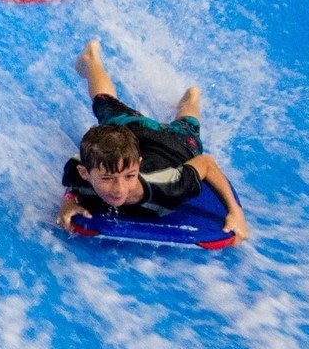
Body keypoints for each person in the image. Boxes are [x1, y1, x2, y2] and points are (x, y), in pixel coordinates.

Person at [56, 40, 249, 243]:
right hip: (132, 135)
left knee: (188, 122)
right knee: (105, 103)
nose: (119, 188)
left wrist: (235, 212)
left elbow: (207, 164)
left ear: (138, 165)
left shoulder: (168, 186)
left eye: (129, 176)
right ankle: (90, 59)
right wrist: (69, 201)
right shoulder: (77, 169)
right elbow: (76, 181)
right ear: (85, 173)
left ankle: (191, 98)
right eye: (106, 179)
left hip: (174, 143)